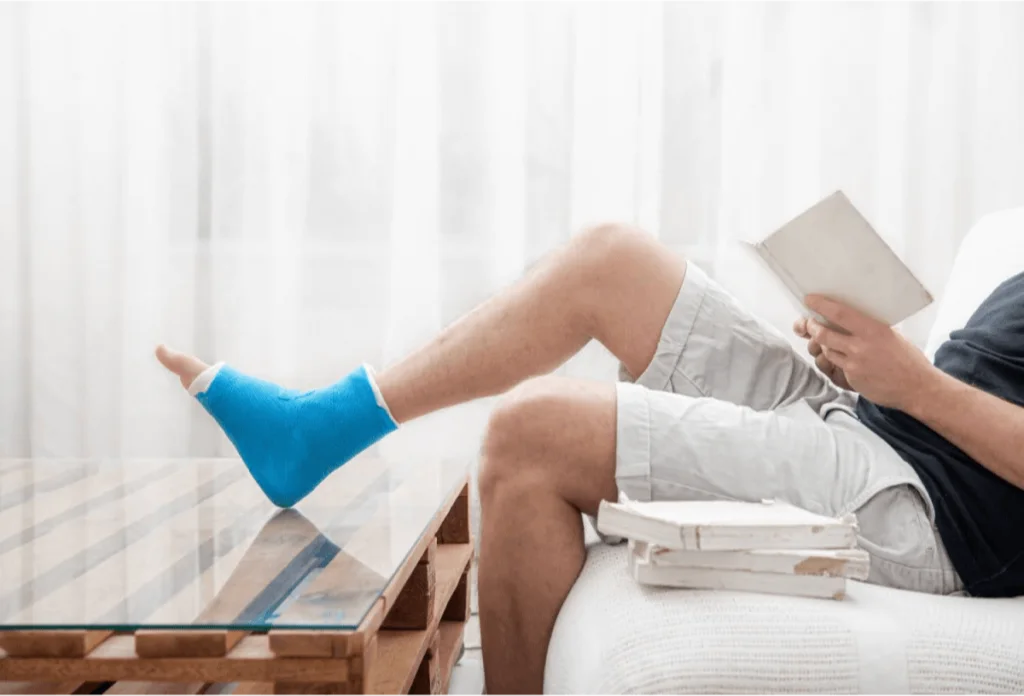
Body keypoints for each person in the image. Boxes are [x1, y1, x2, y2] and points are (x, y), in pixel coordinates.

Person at [157, 224, 1024, 695]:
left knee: (533, 431)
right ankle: (322, 426)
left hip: (932, 511)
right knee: (608, 263)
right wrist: (867, 360)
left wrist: (912, 385)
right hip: (884, 426)